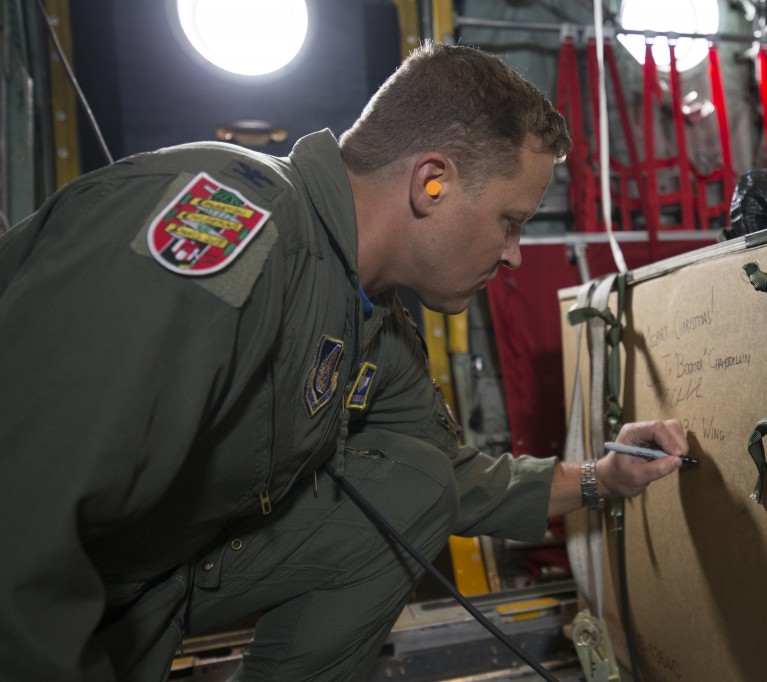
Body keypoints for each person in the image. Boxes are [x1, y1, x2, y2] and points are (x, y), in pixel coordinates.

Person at [0, 42, 692, 680]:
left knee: (415, 484)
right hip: (42, 585)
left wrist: (602, 477)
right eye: (510, 221)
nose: (514, 255)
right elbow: (22, 503)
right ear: (432, 184)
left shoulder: (367, 314)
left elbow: (449, 477)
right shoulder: (226, 226)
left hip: (141, 580)